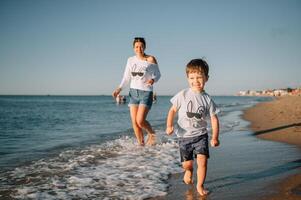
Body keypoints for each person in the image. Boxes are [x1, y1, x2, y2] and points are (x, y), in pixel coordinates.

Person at [165, 58, 220, 196]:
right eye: (192, 78)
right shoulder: (183, 94)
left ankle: (200, 185)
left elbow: (214, 118)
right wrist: (169, 125)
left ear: (206, 78)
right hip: (184, 136)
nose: (195, 81)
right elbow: (172, 110)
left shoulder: (207, 99)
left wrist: (215, 137)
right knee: (187, 165)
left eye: (199, 77)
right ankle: (189, 171)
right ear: (187, 78)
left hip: (201, 135)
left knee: (202, 161)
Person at [112, 37, 161, 146]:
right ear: (133, 48)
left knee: (140, 121)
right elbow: (126, 77)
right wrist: (119, 88)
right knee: (134, 122)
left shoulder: (150, 59)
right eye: (136, 47)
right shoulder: (130, 60)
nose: (139, 49)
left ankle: (152, 133)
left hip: (146, 92)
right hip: (133, 93)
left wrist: (153, 79)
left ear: (145, 47)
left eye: (141, 46)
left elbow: (158, 74)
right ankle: (141, 145)